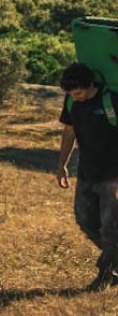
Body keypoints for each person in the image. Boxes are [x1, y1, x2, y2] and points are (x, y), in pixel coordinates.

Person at [56, 62, 118, 291]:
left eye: (79, 92)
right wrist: (61, 164)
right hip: (86, 171)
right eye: (72, 94)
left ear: (90, 85)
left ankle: (106, 274)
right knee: (84, 218)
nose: (76, 97)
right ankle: (113, 259)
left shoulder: (111, 101)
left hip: (113, 174)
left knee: (111, 227)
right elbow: (69, 132)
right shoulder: (72, 101)